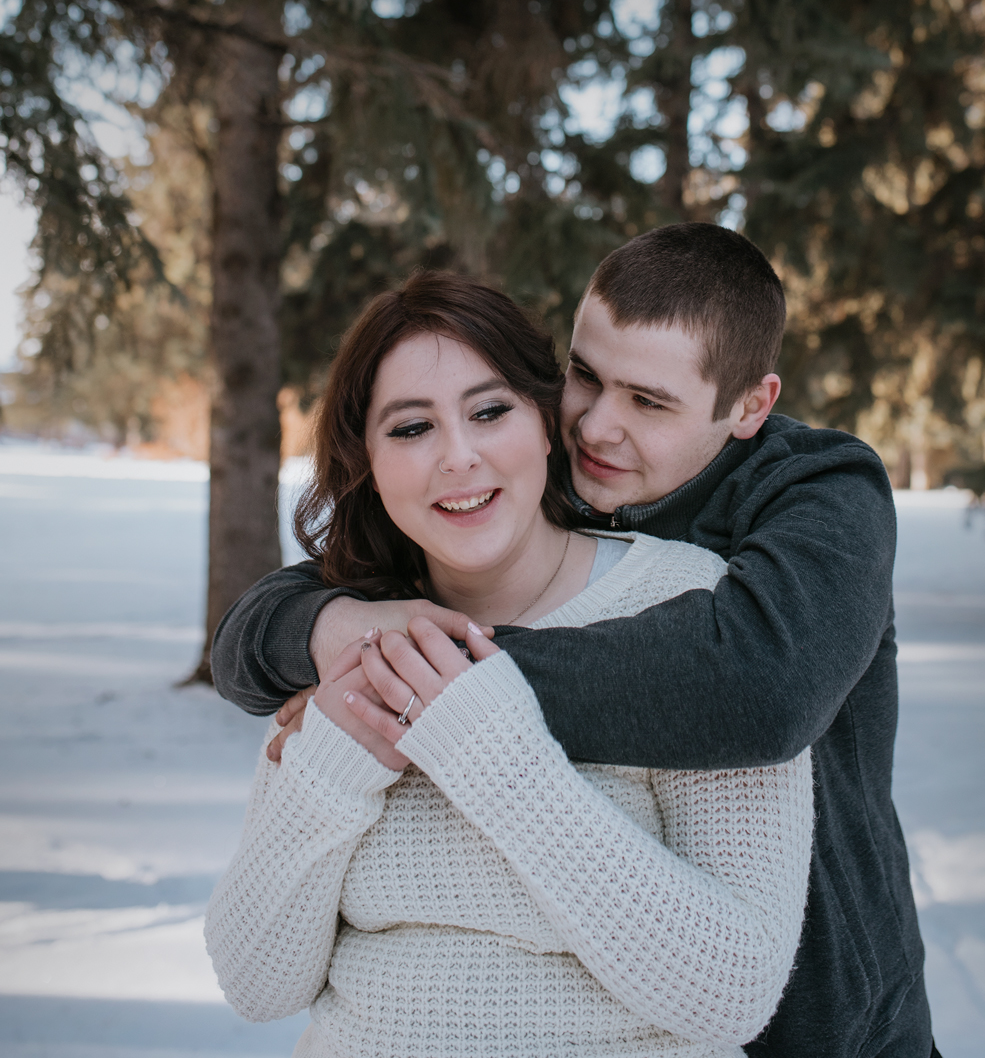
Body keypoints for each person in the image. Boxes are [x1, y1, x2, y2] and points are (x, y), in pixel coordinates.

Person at [213, 224, 936, 1058]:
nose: (597, 426)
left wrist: (430, 682)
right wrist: (330, 630)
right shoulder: (529, 473)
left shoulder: (817, 494)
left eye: (650, 401)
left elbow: (759, 684)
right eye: (584, 377)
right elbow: (273, 624)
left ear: (751, 406)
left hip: (831, 1021)